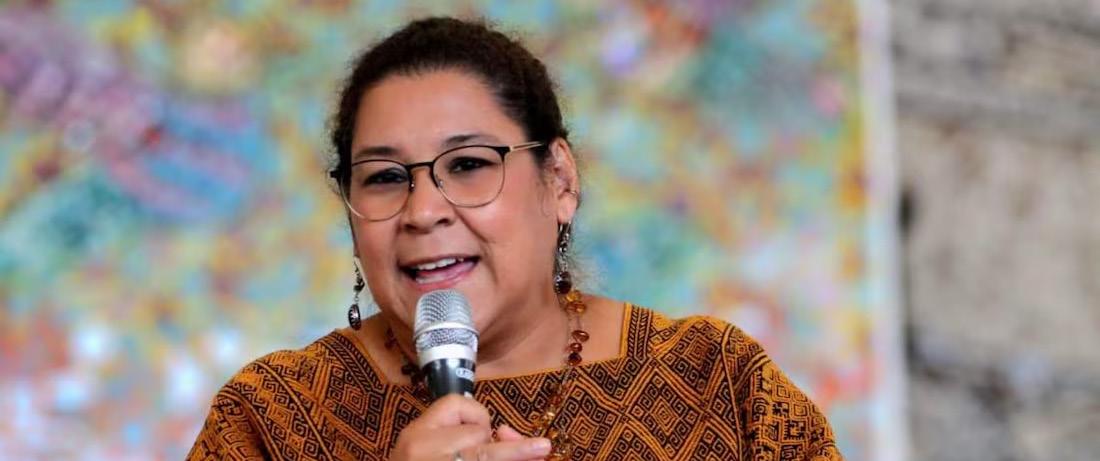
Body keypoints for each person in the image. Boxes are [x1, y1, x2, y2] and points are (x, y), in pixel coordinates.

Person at [188, 17, 844, 461]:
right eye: (385, 177)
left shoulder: (717, 383)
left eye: (469, 164)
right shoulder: (271, 419)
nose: (423, 211)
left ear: (559, 180)